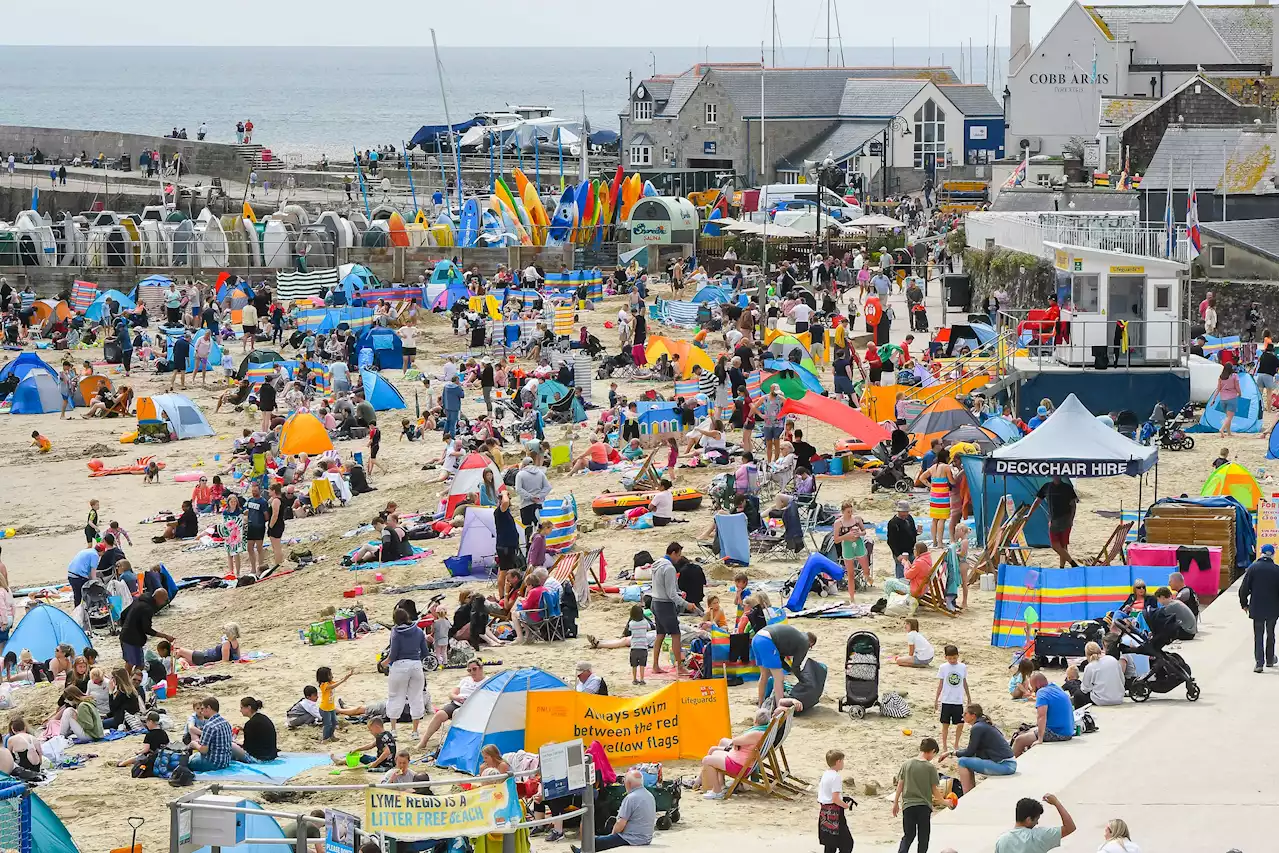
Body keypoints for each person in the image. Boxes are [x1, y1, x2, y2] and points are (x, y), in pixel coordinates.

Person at [937, 704, 1016, 793]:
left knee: (962, 761)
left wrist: (950, 753)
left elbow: (969, 752)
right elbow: (972, 751)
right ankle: (970, 791)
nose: (963, 715)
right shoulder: (983, 724)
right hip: (1009, 763)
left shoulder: (977, 728)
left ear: (973, 716)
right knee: (967, 760)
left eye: (965, 713)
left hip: (1005, 766)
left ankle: (966, 794)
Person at [698, 707, 771, 800]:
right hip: (740, 761)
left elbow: (735, 740)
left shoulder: (756, 733)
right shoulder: (764, 731)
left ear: (756, 720)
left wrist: (736, 743)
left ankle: (716, 791)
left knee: (707, 760)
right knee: (715, 753)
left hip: (738, 765)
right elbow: (737, 742)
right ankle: (721, 786)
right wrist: (737, 744)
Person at [574, 768, 655, 851]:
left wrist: (612, 836)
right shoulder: (649, 795)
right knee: (602, 838)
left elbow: (621, 823)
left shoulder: (631, 798)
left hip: (632, 838)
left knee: (595, 841)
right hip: (646, 837)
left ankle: (580, 851)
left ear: (628, 784)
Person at [418, 661, 485, 749]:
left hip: (472, 707)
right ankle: (423, 741)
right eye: (469, 670)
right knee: (439, 715)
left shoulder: (486, 681)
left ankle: (454, 743)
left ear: (481, 668)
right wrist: (457, 698)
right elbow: (451, 694)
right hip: (457, 703)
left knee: (456, 714)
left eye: (474, 669)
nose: (472, 672)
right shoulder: (465, 680)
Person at [893, 737, 942, 853]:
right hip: (924, 807)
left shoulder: (907, 764)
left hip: (908, 806)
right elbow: (934, 790)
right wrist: (945, 802)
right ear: (933, 751)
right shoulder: (930, 768)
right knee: (923, 838)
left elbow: (900, 785)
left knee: (908, 835)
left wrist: (895, 803)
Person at [385, 608, 429, 735]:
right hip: (416, 665)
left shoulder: (396, 632)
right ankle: (415, 731)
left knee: (395, 696)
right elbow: (425, 652)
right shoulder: (419, 631)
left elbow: (393, 654)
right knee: (416, 697)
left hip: (400, 666)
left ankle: (393, 729)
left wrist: (385, 663)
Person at [753, 624, 816, 707]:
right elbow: (796, 666)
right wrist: (803, 680)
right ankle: (780, 708)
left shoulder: (795, 637)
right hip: (767, 641)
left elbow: (781, 659)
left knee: (765, 675)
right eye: (810, 647)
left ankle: (760, 704)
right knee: (779, 678)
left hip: (757, 638)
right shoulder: (804, 642)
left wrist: (789, 669)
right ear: (811, 643)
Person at [1239, 543, 1280, 672]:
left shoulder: (1253, 568)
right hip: (1273, 607)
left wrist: (1244, 604)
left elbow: (1243, 588)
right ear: (1273, 554)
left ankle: (1259, 663)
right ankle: (1269, 659)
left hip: (1257, 607)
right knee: (1270, 633)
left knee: (1258, 634)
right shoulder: (1277, 569)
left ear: (1261, 553)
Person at [1012, 673, 1075, 755]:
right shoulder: (1055, 687)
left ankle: (1012, 765)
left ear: (1037, 684)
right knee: (1028, 730)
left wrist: (1040, 739)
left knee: (1019, 740)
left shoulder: (1042, 692)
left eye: (1032, 686)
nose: (1032, 690)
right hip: (1068, 730)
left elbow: (1041, 716)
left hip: (1058, 733)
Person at [649, 543, 687, 677]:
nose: (679, 558)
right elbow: (671, 594)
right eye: (678, 555)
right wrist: (686, 604)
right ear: (673, 553)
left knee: (660, 635)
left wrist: (679, 592)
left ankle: (655, 665)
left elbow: (665, 587)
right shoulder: (669, 568)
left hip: (655, 602)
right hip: (665, 605)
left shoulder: (657, 563)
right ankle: (680, 666)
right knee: (676, 635)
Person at [993, 795, 1076, 853]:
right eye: (1036, 819)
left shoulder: (1002, 840)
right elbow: (1070, 827)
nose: (1037, 823)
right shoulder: (1038, 836)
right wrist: (1056, 803)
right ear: (1028, 819)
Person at [119, 588, 174, 676]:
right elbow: (147, 629)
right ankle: (129, 682)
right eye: (165, 600)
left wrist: (125, 626)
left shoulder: (141, 599)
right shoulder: (147, 608)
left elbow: (123, 614)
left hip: (126, 636)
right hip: (132, 639)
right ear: (159, 598)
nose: (164, 603)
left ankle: (128, 681)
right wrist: (165, 636)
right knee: (137, 664)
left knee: (131, 662)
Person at [1035, 476, 1078, 568]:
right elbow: (1037, 501)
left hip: (1065, 519)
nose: (1056, 476)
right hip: (1054, 520)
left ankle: (1062, 567)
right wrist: (1029, 514)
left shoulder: (1067, 488)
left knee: (1063, 545)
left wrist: (1071, 519)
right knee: (1055, 545)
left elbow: (1073, 505)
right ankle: (1073, 564)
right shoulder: (1047, 487)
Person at [817, 748, 854, 853]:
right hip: (835, 813)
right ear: (838, 761)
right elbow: (835, 799)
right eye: (842, 761)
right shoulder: (836, 776)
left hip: (824, 812)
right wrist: (846, 806)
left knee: (830, 845)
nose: (843, 763)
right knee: (847, 844)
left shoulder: (825, 774)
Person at [935, 644, 971, 751]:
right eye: (950, 658)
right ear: (945, 657)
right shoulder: (943, 667)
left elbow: (964, 682)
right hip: (946, 700)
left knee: (960, 723)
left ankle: (956, 744)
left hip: (958, 700)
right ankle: (945, 746)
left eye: (954, 658)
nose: (952, 660)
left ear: (958, 656)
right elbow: (940, 684)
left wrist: (968, 697)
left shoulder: (962, 667)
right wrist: (936, 699)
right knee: (945, 724)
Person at [331, 716, 395, 769]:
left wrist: (374, 764)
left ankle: (340, 761)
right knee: (364, 756)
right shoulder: (387, 734)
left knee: (361, 757)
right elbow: (371, 745)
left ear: (376, 727)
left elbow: (386, 752)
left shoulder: (380, 737)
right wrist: (357, 749)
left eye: (371, 730)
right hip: (390, 763)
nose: (371, 732)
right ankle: (342, 760)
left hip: (382, 764)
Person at [189, 697, 234, 771]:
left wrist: (194, 744)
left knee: (189, 760)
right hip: (226, 761)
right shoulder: (225, 722)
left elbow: (203, 750)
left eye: (203, 709)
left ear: (208, 708)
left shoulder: (209, 726)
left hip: (213, 763)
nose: (202, 712)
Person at [1216, 363, 1240, 435]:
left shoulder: (1221, 377)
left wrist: (1213, 399)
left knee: (1227, 416)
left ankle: (1229, 432)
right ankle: (1222, 429)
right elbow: (1237, 386)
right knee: (1230, 417)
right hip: (1231, 398)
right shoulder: (1234, 376)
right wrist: (1240, 393)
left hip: (1222, 399)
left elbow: (1218, 389)